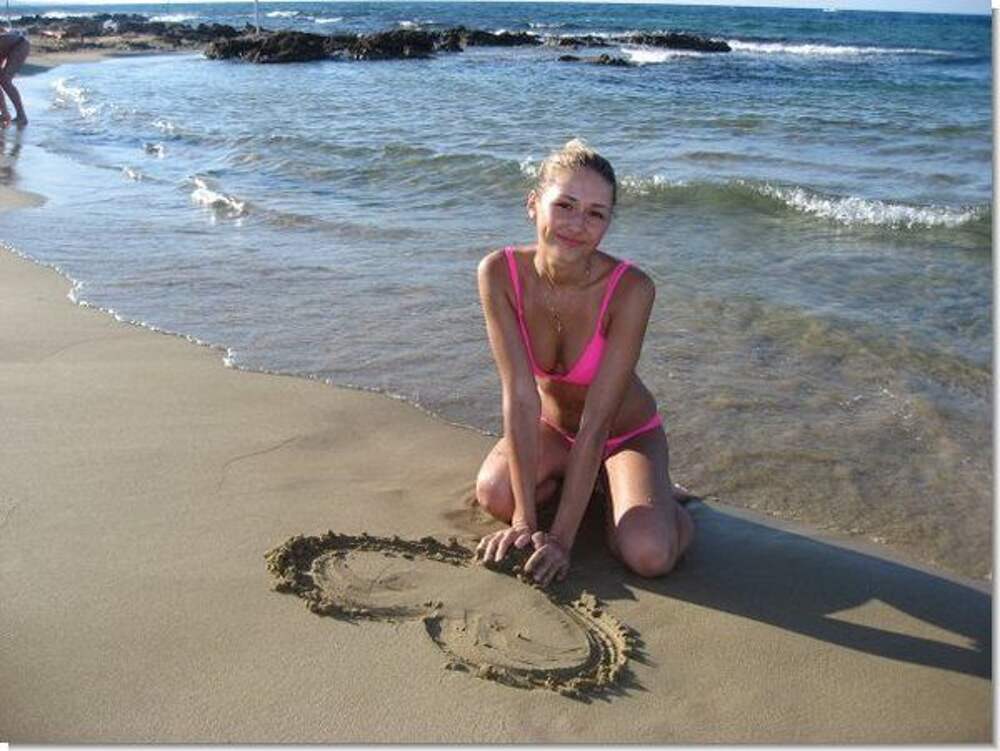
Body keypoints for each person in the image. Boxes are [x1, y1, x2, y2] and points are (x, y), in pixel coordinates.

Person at [474, 139, 695, 587]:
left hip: (624, 434)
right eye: (565, 205)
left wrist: (561, 540)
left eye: (596, 213)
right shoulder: (499, 273)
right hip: (554, 430)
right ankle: (595, 486)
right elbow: (520, 398)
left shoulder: (631, 290)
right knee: (495, 494)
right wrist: (523, 521)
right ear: (533, 204)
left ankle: (658, 498)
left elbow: (598, 421)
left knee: (648, 554)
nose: (577, 225)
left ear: (608, 223)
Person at [0, 31, 29, 127]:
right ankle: (7, 115)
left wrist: (4, 112)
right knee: (4, 80)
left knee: (5, 81)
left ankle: (21, 117)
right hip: (14, 45)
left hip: (20, 45)